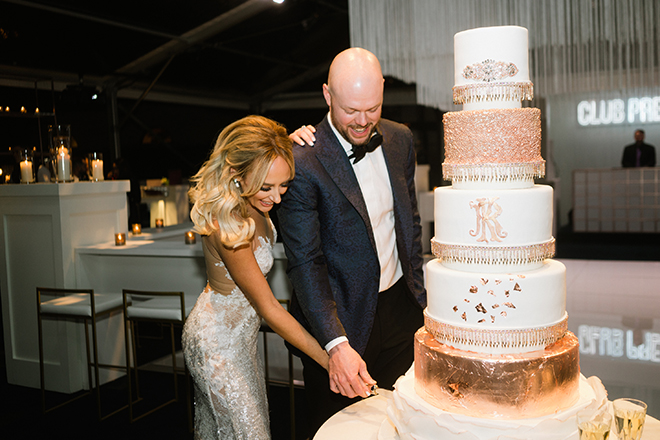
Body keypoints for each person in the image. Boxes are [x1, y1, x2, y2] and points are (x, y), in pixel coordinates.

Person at [277, 47, 427, 436]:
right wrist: (334, 343)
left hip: (400, 309)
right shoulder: (302, 160)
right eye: (350, 111)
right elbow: (306, 261)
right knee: (341, 430)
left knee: (406, 424)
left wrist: (421, 298)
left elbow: (409, 224)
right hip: (341, 320)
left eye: (372, 108)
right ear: (327, 95)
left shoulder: (399, 139)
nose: (363, 122)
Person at [181, 115, 342, 440]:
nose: (277, 197)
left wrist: (286, 144)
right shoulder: (228, 224)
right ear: (235, 175)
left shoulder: (257, 199)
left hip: (242, 341)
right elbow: (269, 309)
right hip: (216, 344)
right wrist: (330, 362)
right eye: (267, 186)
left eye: (284, 184)